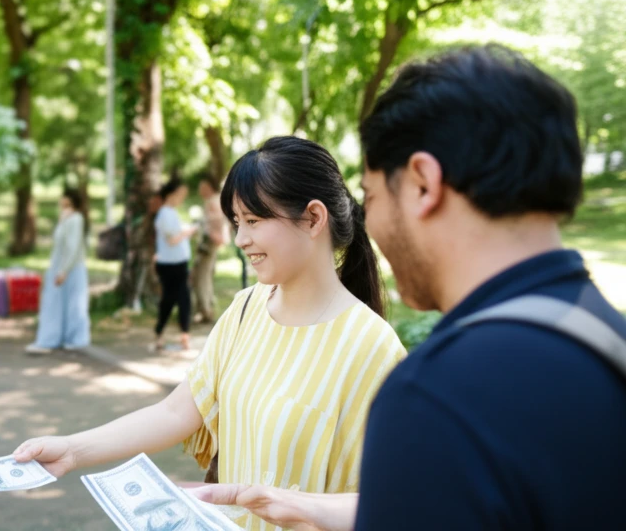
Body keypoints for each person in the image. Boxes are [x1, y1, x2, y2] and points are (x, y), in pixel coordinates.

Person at [190, 45, 626, 531]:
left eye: (372, 197)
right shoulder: (608, 343)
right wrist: (302, 506)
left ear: (423, 183)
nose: (367, 223)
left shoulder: (435, 395)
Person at [14, 136, 406, 531]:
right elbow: (175, 412)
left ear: (314, 218)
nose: (240, 240)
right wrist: (71, 450)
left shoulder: (371, 348)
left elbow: (397, 501)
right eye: (237, 223)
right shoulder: (245, 310)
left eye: (253, 221)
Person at [25, 188, 90, 354]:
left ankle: (74, 338)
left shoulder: (76, 219)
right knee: (57, 303)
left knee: (73, 304)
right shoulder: (66, 217)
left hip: (70, 268)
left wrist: (64, 270)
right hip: (60, 266)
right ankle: (53, 338)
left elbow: (73, 247)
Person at [153, 178, 196, 350]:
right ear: (171, 195)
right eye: (180, 195)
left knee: (182, 297)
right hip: (170, 264)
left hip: (178, 262)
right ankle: (162, 333)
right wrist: (189, 231)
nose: (182, 198)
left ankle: (182, 334)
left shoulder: (170, 212)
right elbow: (172, 240)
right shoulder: (165, 213)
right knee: (172, 299)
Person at [191, 174, 229, 323]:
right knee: (204, 275)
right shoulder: (214, 200)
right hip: (211, 243)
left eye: (203, 187)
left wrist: (213, 234)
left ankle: (205, 310)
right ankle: (205, 308)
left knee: (201, 277)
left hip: (209, 243)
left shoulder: (212, 201)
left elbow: (220, 221)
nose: (200, 190)